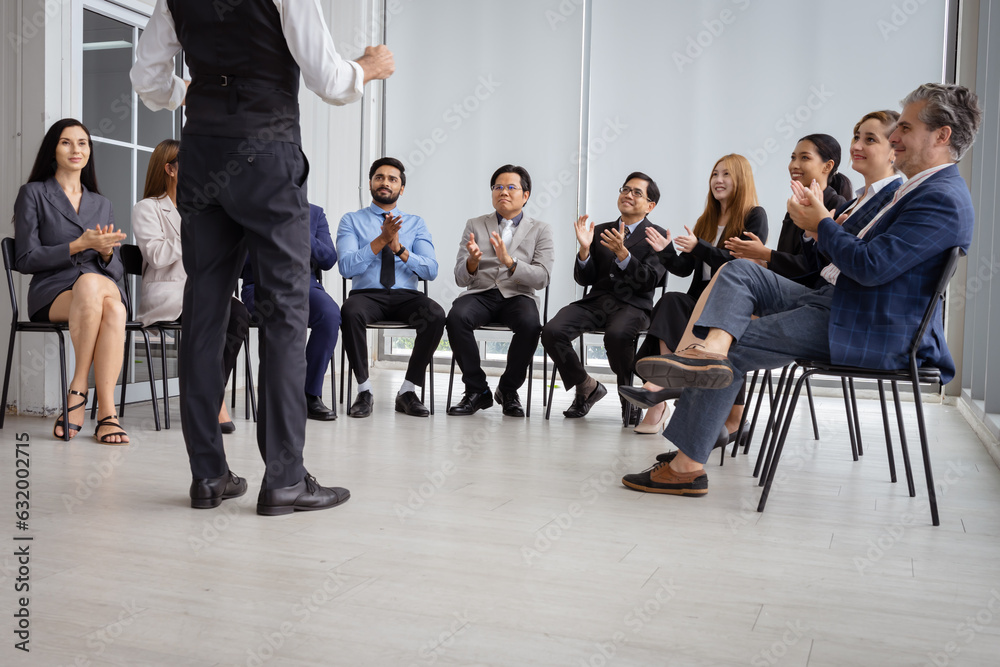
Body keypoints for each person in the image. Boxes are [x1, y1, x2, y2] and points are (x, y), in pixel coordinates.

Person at [623, 83, 982, 497]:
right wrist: (821, 228)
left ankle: (687, 467)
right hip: (838, 301)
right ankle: (708, 354)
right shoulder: (913, 189)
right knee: (741, 272)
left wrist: (820, 225)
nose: (895, 137)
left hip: (865, 323)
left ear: (942, 136)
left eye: (904, 127)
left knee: (736, 346)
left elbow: (869, 266)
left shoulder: (941, 198)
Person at [131, 0, 395, 513]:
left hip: (202, 154)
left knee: (204, 312)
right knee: (285, 313)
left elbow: (147, 78)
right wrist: (367, 67)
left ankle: (208, 477)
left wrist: (192, 97)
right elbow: (328, 78)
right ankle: (285, 479)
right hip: (266, 153)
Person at [622, 154, 767, 438]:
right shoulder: (706, 219)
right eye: (714, 174)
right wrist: (666, 250)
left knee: (711, 327)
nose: (718, 180)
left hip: (731, 302)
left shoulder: (754, 215)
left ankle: (669, 384)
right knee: (670, 301)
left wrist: (699, 246)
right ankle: (667, 376)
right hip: (701, 298)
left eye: (725, 174)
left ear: (741, 179)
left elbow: (741, 261)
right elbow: (685, 267)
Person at [13, 118, 130, 444]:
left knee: (100, 291)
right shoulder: (33, 194)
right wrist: (80, 245)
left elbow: (116, 270)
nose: (76, 149)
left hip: (98, 286)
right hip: (52, 292)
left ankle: (82, 393)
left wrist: (106, 253)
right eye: (66, 142)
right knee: (112, 307)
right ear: (53, 149)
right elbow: (24, 259)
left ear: (89, 151)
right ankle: (103, 411)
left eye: (82, 143)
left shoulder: (101, 203)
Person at [132, 138, 250, 434]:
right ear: (170, 169)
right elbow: (156, 255)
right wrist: (194, 230)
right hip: (170, 294)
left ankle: (212, 397)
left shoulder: (205, 208)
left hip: (206, 290)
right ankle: (212, 403)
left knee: (238, 316)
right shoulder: (147, 209)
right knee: (208, 315)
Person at [540, 172, 668, 424]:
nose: (628, 195)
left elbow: (650, 280)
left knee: (618, 335)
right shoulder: (600, 230)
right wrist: (585, 251)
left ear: (650, 205)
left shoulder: (657, 235)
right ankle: (586, 385)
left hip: (634, 306)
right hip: (596, 302)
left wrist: (623, 254)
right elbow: (583, 279)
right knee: (552, 331)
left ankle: (629, 399)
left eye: (637, 192)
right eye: (625, 189)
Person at [338, 157, 444, 418]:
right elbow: (346, 268)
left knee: (436, 314)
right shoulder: (351, 220)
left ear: (401, 188)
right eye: (379, 177)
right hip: (367, 296)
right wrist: (380, 241)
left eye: (392, 179)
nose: (385, 182)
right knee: (350, 312)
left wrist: (399, 249)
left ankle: (408, 391)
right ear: (371, 183)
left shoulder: (416, 223)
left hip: (406, 297)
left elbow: (431, 270)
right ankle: (364, 390)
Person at [446, 165, 554, 417]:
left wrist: (510, 262)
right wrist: (472, 262)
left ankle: (508, 389)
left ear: (525, 195)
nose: (503, 192)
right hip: (480, 293)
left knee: (530, 324)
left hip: (518, 295)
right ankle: (477, 390)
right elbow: (460, 278)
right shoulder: (474, 224)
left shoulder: (541, 229)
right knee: (456, 317)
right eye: (498, 187)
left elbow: (542, 278)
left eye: (511, 187)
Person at [242, 203, 339, 421]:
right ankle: (279, 396)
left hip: (305, 286)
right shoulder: (247, 207)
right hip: (261, 285)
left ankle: (309, 393)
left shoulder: (315, 213)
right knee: (281, 313)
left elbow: (329, 259)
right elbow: (236, 261)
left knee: (330, 315)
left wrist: (301, 234)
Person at [726, 134, 851, 283]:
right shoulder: (794, 207)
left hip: (811, 295)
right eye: (793, 158)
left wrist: (765, 253)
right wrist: (761, 261)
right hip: (785, 288)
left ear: (828, 166)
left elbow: (815, 267)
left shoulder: (837, 205)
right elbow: (787, 263)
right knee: (735, 267)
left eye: (805, 157)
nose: (794, 165)